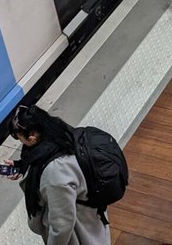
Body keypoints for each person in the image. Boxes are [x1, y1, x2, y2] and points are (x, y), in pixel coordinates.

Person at [6, 105, 110, 245]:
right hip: (92, 217)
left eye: (20, 139)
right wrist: (21, 166)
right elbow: (36, 159)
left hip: (80, 233)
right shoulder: (61, 136)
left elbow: (62, 226)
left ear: (32, 138)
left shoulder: (55, 175)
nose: (21, 143)